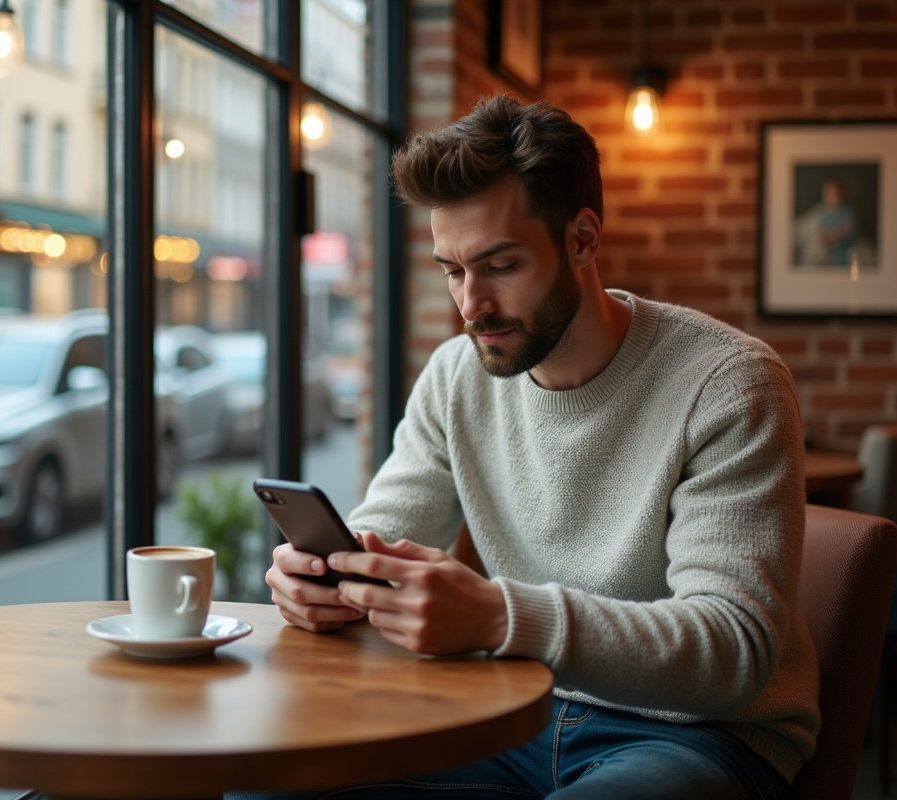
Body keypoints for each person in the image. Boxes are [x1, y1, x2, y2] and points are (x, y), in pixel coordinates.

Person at [257, 97, 820, 799]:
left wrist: (497, 615)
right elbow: (383, 536)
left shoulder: (730, 383)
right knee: (273, 781)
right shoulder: (457, 375)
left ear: (583, 240)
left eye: (499, 265)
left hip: (695, 734)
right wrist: (324, 579)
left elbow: (733, 650)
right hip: (508, 709)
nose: (471, 305)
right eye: (453, 270)